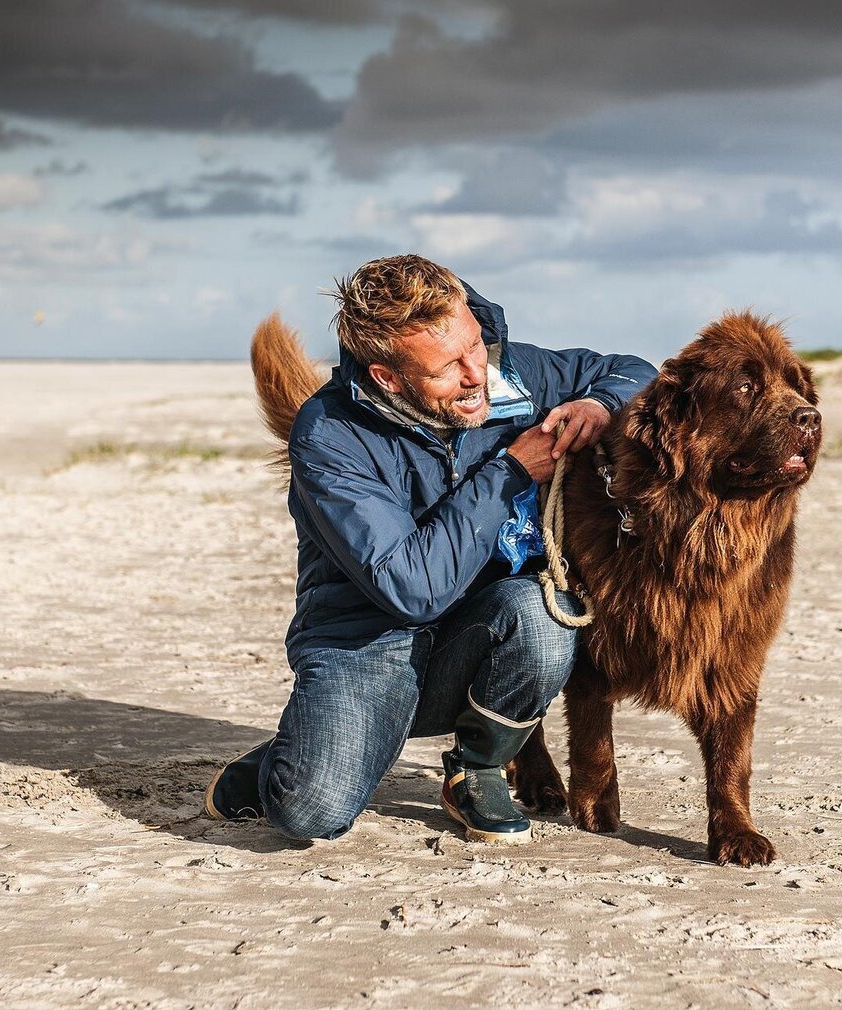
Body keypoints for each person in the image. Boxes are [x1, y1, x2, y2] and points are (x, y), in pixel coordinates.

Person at [204, 255, 656, 844]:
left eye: (476, 346)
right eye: (449, 367)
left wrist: (599, 404)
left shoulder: (506, 370)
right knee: (311, 813)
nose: (477, 375)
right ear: (388, 378)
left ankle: (478, 768)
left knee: (545, 614)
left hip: (480, 621)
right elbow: (412, 589)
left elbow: (636, 371)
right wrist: (512, 471)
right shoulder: (328, 438)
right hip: (368, 637)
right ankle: (294, 754)